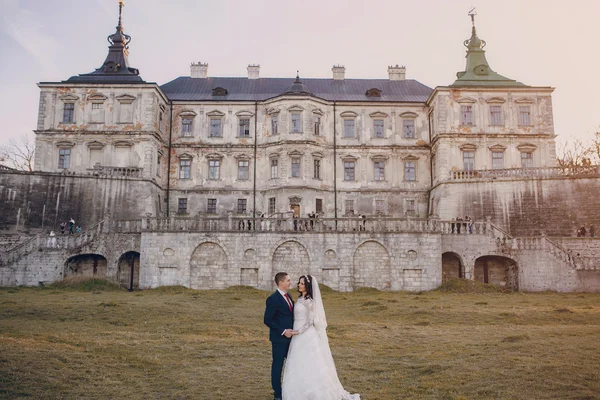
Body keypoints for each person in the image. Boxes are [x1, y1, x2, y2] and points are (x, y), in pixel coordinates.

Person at [282, 275, 360, 400]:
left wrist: (298, 331)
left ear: (307, 286)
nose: (298, 285)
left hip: (306, 334)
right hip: (297, 336)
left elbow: (311, 320)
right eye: (299, 283)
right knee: (298, 362)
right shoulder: (299, 299)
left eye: (301, 283)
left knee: (311, 362)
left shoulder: (309, 301)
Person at [264, 272, 296, 400]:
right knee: (278, 365)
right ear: (281, 282)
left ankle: (292, 389)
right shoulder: (273, 299)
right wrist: (283, 331)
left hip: (292, 339)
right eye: (288, 280)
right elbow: (267, 320)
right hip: (279, 339)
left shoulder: (288, 296)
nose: (290, 282)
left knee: (293, 364)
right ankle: (277, 393)